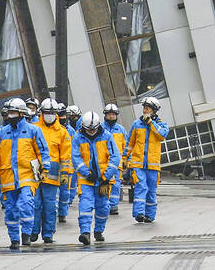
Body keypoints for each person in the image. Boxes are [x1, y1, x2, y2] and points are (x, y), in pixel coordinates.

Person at [0, 98, 49, 249]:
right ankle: (14, 238)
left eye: (14, 112)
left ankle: (26, 234)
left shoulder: (33, 130)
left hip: (27, 175)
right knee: (10, 209)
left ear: (22, 113)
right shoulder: (3, 132)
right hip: (8, 177)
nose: (11, 115)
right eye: (9, 113)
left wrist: (45, 169)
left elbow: (43, 151)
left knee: (26, 203)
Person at [72, 111, 121, 245]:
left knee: (103, 207)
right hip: (85, 179)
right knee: (85, 205)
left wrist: (106, 176)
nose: (91, 131)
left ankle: (98, 231)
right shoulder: (78, 137)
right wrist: (86, 173)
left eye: (93, 129)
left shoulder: (106, 136)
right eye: (89, 129)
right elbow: (76, 158)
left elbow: (115, 157)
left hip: (103, 179)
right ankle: (85, 233)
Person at [31, 98, 71, 243]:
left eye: (52, 113)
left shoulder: (62, 132)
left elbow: (66, 155)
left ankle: (48, 233)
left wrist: (65, 172)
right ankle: (33, 231)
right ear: (41, 113)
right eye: (47, 112)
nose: (49, 115)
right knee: (35, 204)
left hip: (53, 173)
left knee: (49, 205)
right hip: (35, 170)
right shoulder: (33, 128)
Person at [125, 96, 169, 224]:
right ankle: (139, 213)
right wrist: (124, 158)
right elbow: (129, 143)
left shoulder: (161, 125)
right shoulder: (136, 124)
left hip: (153, 165)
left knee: (151, 190)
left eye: (147, 108)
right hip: (137, 163)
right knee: (141, 186)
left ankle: (150, 215)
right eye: (144, 108)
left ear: (154, 111)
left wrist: (151, 123)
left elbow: (162, 136)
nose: (145, 110)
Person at [102, 103, 127, 215]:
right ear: (105, 115)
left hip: (117, 164)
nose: (111, 117)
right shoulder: (100, 128)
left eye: (113, 114)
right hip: (104, 163)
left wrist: (126, 160)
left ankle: (113, 206)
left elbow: (125, 147)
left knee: (116, 184)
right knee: (104, 183)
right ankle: (103, 204)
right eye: (109, 114)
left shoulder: (121, 130)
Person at [57, 102, 75, 223]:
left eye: (64, 115)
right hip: (54, 166)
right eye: (60, 115)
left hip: (67, 167)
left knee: (65, 192)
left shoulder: (71, 131)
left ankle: (63, 213)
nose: (62, 118)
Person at [66, 105, 82, 207]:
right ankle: (70, 198)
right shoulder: (73, 128)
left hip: (79, 156)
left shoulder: (79, 127)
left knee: (75, 178)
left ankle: (71, 197)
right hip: (74, 156)